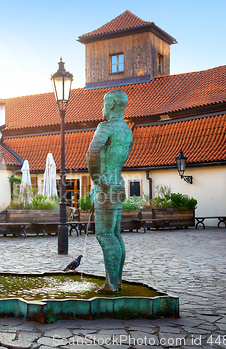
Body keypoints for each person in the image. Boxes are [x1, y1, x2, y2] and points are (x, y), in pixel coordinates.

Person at [86, 90, 133, 293]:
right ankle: (118, 281)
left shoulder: (105, 127)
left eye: (104, 103)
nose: (102, 107)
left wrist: (97, 181)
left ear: (113, 105)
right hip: (119, 183)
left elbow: (92, 154)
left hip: (105, 185)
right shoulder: (127, 131)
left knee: (105, 235)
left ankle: (110, 284)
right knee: (115, 234)